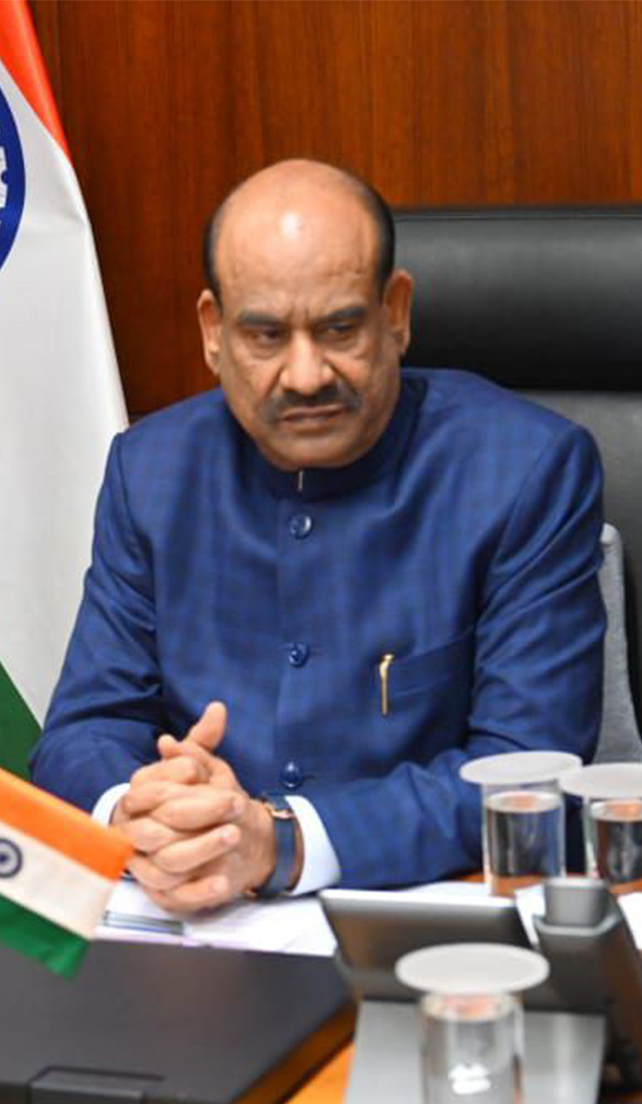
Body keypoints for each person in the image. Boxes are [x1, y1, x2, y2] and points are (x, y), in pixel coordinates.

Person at [31, 159, 604, 912]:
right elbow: (84, 728)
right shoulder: (151, 470)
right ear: (213, 332)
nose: (305, 375)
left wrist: (280, 841)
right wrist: (137, 814)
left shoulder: (525, 469)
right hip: (193, 933)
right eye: (265, 335)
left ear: (395, 313)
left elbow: (529, 772)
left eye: (339, 329)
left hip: (428, 928)